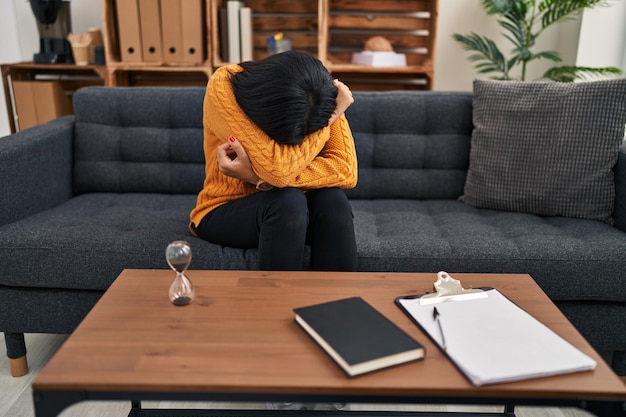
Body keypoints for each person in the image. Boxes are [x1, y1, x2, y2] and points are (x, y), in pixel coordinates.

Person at [189, 50, 358, 271]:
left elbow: (346, 170)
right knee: (287, 202)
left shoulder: (319, 94)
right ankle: (276, 304)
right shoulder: (223, 85)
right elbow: (278, 169)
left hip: (299, 218)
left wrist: (256, 177)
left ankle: (337, 303)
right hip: (224, 208)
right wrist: (331, 116)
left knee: (333, 199)